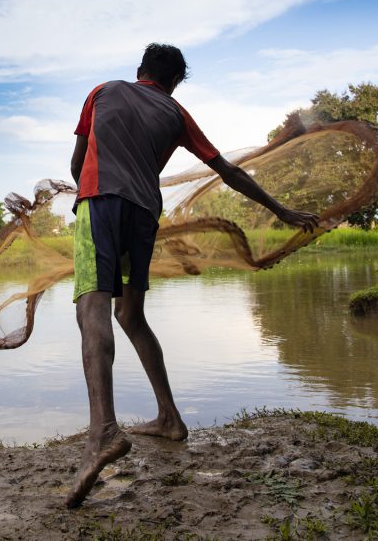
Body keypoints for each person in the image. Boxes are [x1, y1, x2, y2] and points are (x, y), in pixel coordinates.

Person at [65, 43, 318, 508]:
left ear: (140, 71)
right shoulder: (177, 114)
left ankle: (103, 432)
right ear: (176, 81)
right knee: (131, 315)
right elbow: (228, 172)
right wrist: (281, 210)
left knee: (92, 306)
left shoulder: (103, 91)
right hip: (144, 212)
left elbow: (77, 162)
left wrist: (87, 192)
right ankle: (169, 419)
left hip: (100, 202)